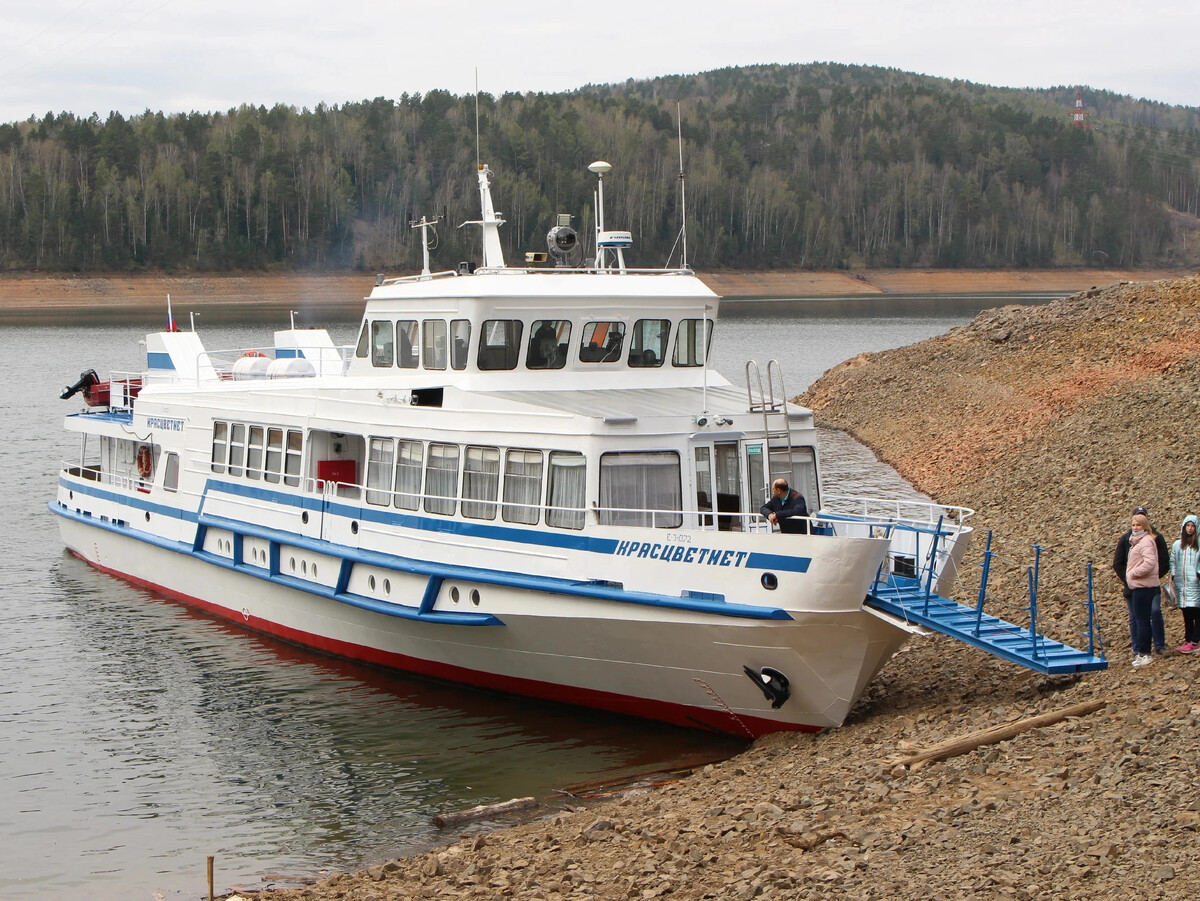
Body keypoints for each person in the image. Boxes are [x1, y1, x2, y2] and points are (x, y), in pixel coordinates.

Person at [1113, 505, 1169, 654]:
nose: (1137, 526)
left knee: (1155, 612)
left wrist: (1153, 575)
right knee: (1135, 618)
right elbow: (1118, 562)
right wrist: (1129, 579)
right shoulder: (1126, 539)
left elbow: (1163, 561)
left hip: (1150, 584)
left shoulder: (1155, 537)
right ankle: (1138, 648)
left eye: (1141, 520)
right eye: (1135, 522)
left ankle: (1159, 645)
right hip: (1132, 586)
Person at [1127, 512, 1161, 667]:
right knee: (1141, 620)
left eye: (1138, 525)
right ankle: (1142, 652)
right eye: (1133, 525)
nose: (1135, 527)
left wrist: (1133, 574)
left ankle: (1145, 653)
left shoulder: (1146, 541)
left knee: (1142, 621)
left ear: (1145, 526)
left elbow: (1149, 563)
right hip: (1140, 586)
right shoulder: (1138, 541)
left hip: (1144, 587)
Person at [1169, 515, 1200, 653]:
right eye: (1187, 526)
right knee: (1186, 612)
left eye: (1192, 526)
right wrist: (1174, 574)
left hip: (1195, 583)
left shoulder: (1198, 544)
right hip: (1182, 584)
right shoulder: (1177, 545)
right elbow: (1173, 561)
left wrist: (1198, 573)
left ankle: (1195, 641)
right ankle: (1188, 639)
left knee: (1197, 611)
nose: (1190, 528)